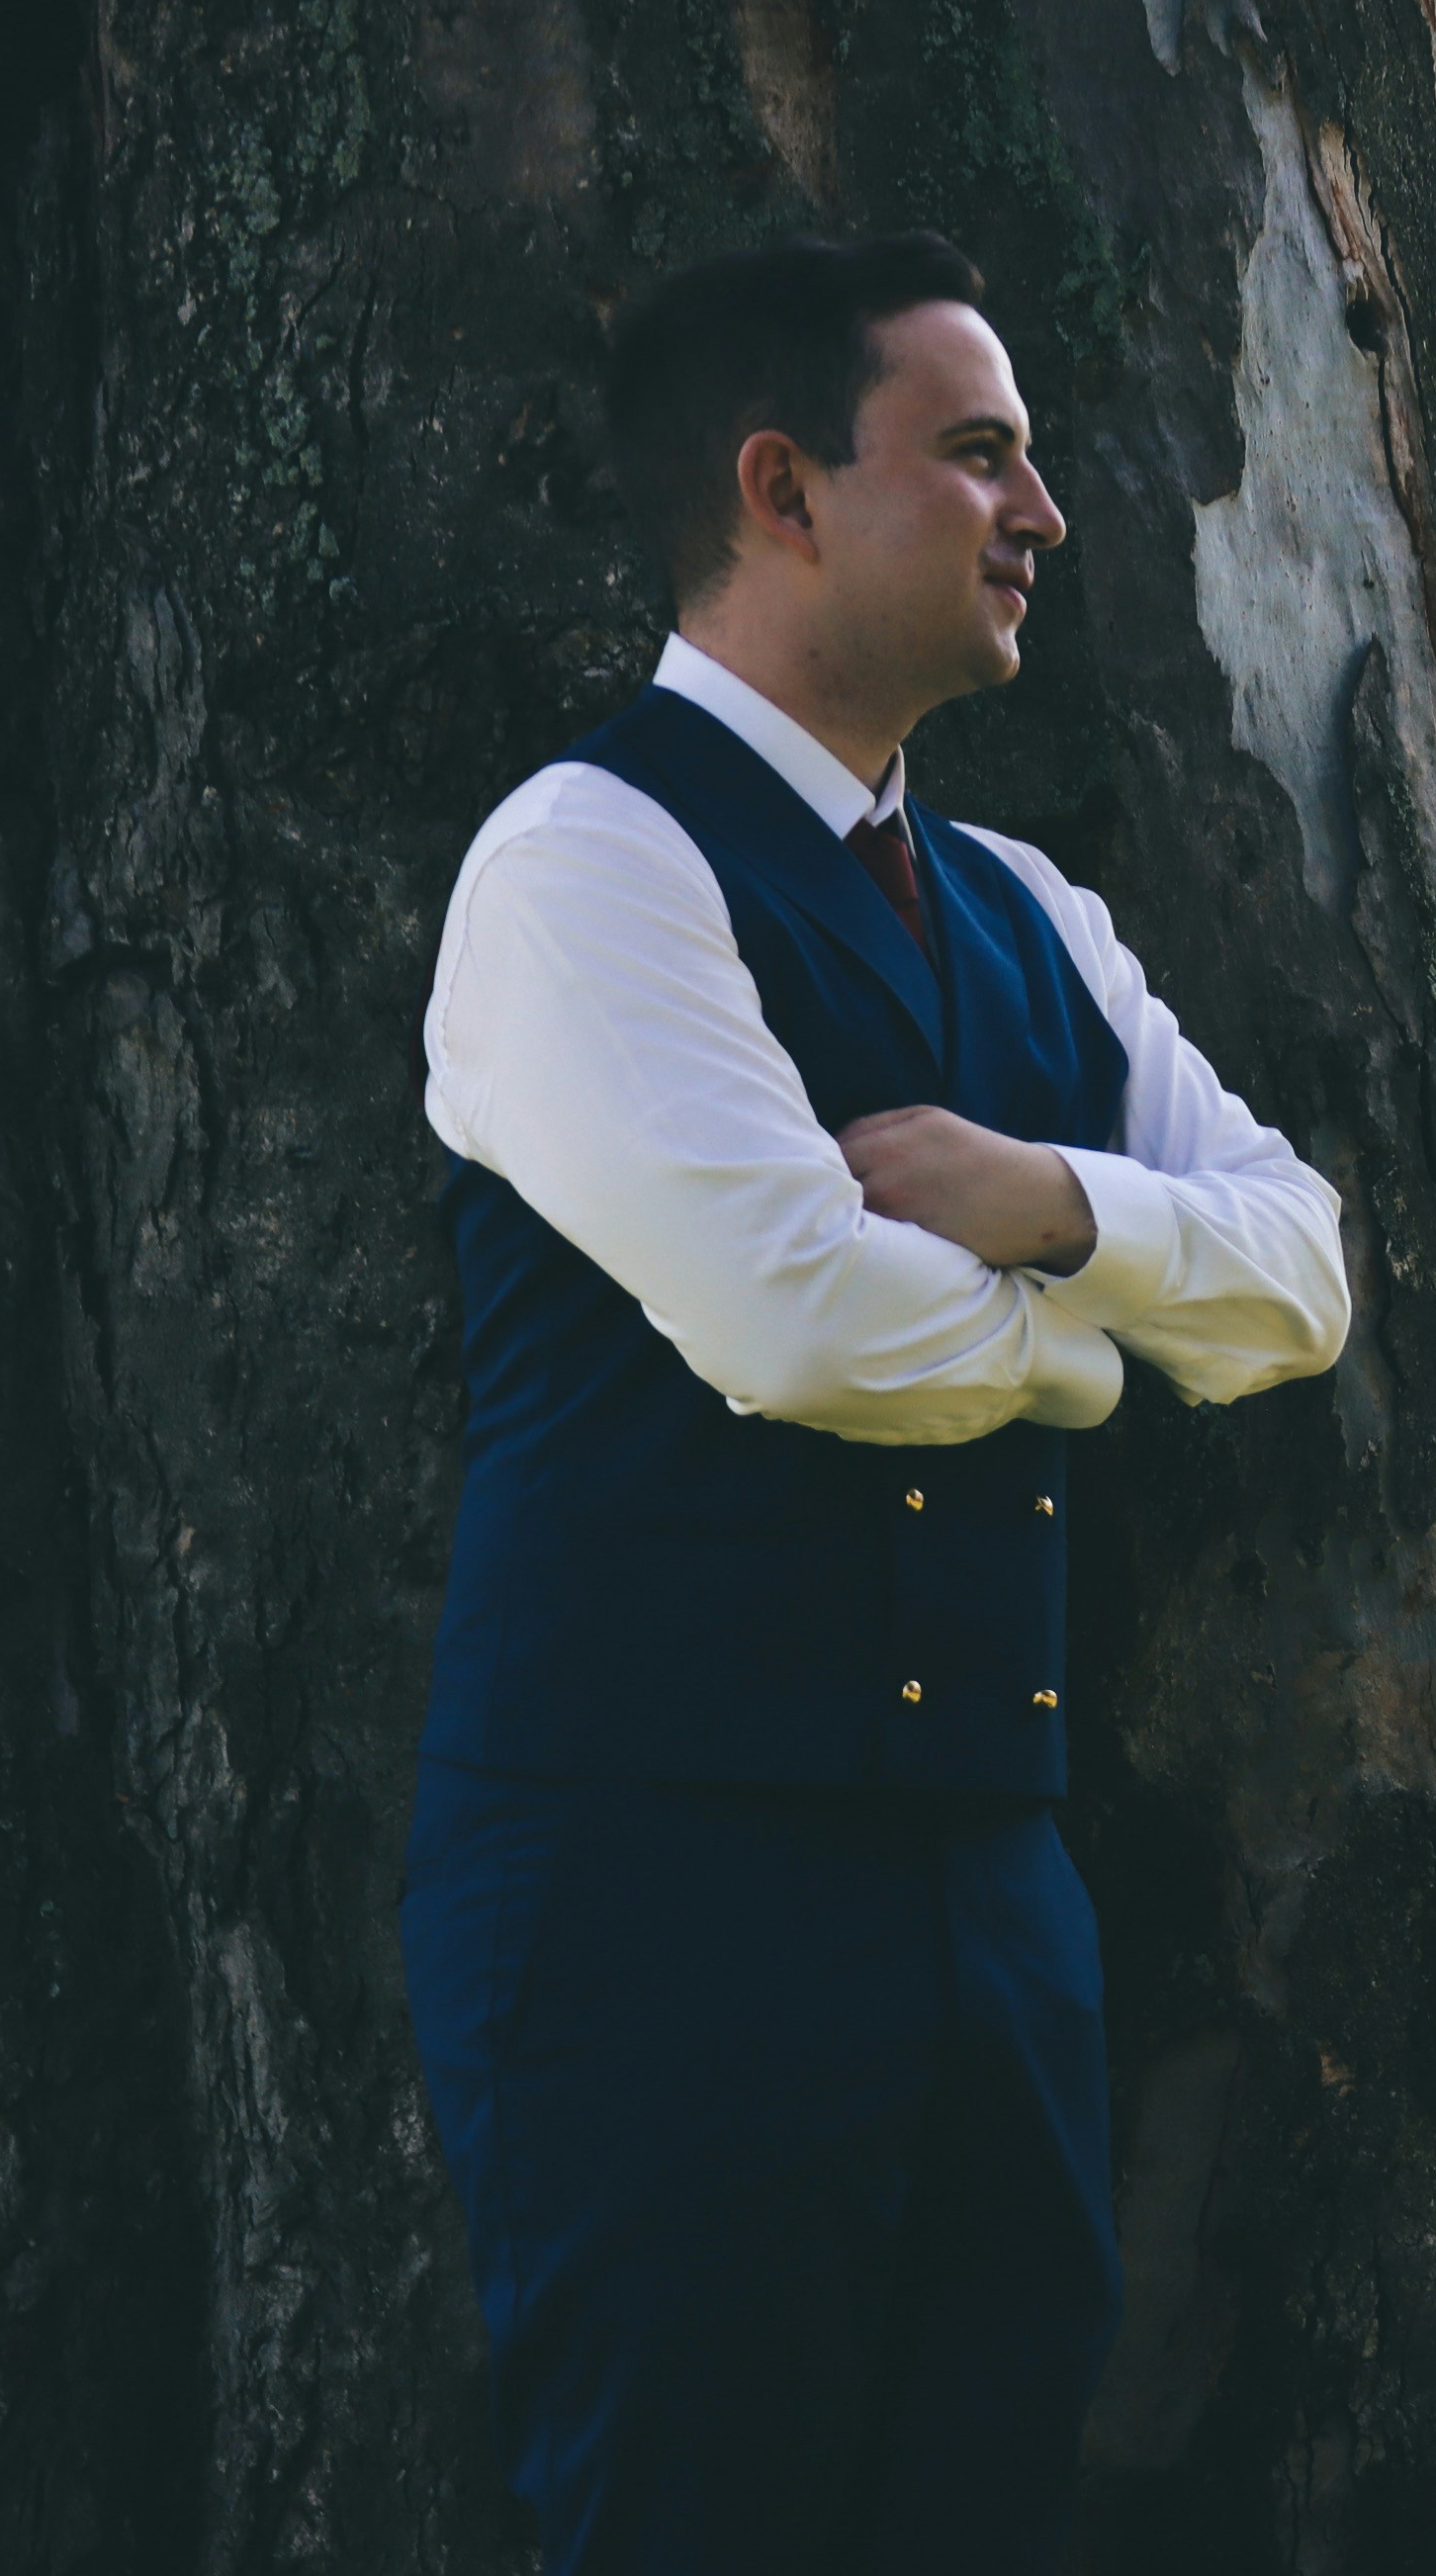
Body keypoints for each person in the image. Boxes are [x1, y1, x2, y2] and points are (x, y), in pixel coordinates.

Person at [401, 232, 1352, 2573]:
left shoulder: (1027, 903)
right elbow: (803, 1327)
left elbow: (1303, 1272)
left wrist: (1048, 1199)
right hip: (653, 1893)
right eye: (979, 454)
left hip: (991, 1893)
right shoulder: (586, 860)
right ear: (781, 490)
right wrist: (1104, 1347)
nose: (1042, 512)